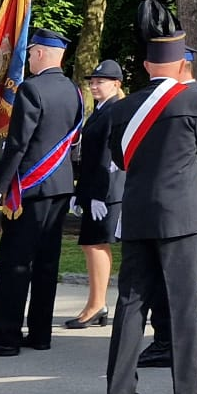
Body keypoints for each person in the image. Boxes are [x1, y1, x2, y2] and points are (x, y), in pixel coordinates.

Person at [105, 0, 197, 394]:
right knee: (183, 302)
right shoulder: (194, 101)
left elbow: (121, 159)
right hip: (184, 215)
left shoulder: (123, 108)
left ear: (145, 66)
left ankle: (119, 390)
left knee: (130, 302)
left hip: (138, 211)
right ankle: (187, 386)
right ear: (182, 66)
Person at [0, 27, 84, 359]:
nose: (29, 58)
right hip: (59, 186)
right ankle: (40, 332)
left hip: (29, 188)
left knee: (14, 263)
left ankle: (5, 336)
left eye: (31, 53)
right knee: (46, 263)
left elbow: (18, 144)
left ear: (42, 53)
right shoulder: (73, 90)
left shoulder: (32, 89)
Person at [67, 58, 127, 328]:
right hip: (94, 189)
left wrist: (98, 194)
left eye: (100, 81)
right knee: (91, 246)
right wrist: (80, 193)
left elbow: (108, 156)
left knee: (96, 245)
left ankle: (97, 304)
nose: (94, 85)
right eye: (92, 81)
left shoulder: (115, 110)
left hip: (107, 191)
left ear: (116, 84)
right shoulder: (102, 109)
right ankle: (95, 303)